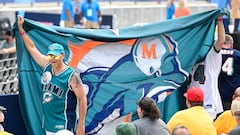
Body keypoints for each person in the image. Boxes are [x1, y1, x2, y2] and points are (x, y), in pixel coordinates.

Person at [17, 16, 87, 135]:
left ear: (62, 56)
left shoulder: (71, 76)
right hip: (49, 123)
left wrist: (81, 124)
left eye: (55, 56)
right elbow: (32, 48)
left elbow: (82, 98)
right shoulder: (47, 65)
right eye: (50, 55)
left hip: (64, 124)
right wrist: (21, 30)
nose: (52, 59)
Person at [189, 16, 225, 120]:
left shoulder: (211, 56)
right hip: (193, 100)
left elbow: (221, 40)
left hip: (208, 103)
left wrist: (219, 21)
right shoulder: (192, 57)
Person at [218, 34, 240, 110]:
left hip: (217, 93)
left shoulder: (214, 54)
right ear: (231, 45)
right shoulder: (237, 54)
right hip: (234, 92)